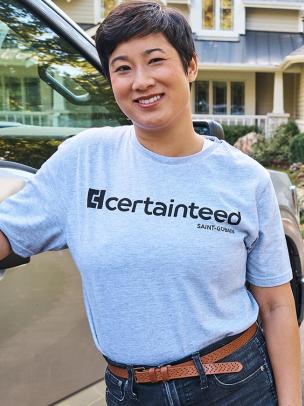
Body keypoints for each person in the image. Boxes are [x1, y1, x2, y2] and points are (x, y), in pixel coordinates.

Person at [0, 1, 301, 405]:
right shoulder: (82, 160)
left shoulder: (246, 179)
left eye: (155, 60)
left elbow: (277, 305)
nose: (140, 81)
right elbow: (9, 233)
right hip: (130, 391)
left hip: (234, 385)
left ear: (190, 66)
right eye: (122, 68)